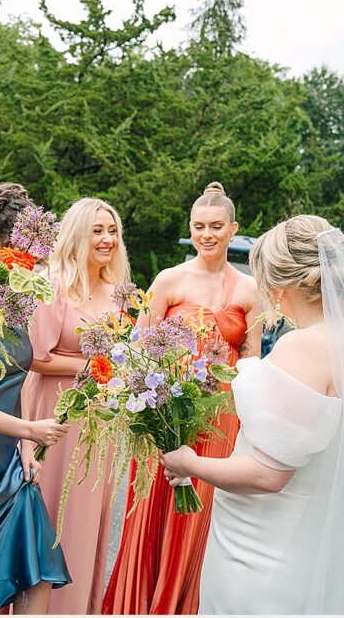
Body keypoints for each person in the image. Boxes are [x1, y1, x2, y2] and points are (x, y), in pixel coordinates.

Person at [161, 215, 344, 614]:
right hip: (326, 545)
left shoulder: (302, 347)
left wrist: (189, 463)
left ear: (280, 287)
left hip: (263, 553)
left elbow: (268, 475)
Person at [103, 181, 261, 615]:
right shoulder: (169, 280)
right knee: (153, 507)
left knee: (203, 512)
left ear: (233, 229)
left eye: (216, 226)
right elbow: (139, 349)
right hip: (166, 413)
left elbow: (252, 361)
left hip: (220, 417)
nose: (206, 234)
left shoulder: (250, 290)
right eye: (198, 226)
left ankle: (185, 604)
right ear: (190, 228)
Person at [0, 183, 72, 615]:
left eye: (40, 258)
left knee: (38, 572)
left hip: (9, 462)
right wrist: (29, 430)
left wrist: (23, 446)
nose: (36, 268)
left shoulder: (17, 303)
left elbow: (14, 382)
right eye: (28, 256)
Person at [21, 197, 130, 614]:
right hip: (54, 412)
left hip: (99, 421)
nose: (106, 239)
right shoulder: (53, 285)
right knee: (51, 513)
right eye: (97, 230)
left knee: (85, 523)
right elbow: (35, 356)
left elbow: (126, 355)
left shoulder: (120, 293)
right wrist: (93, 366)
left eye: (112, 231)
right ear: (77, 235)